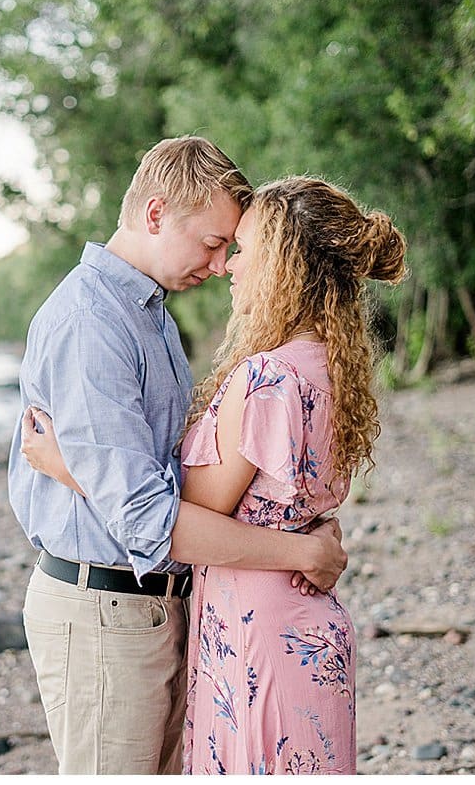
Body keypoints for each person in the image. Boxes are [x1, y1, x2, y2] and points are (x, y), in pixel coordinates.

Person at [22, 175, 407, 774]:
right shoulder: (325, 365)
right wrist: (308, 545)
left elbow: (175, 512)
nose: (228, 265)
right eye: (218, 244)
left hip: (257, 629)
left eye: (243, 248)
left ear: (283, 265)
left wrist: (72, 466)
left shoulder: (266, 379)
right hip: (295, 618)